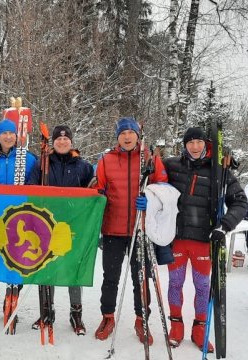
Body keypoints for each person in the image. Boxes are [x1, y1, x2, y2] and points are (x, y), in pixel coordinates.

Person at [163, 127, 247, 351]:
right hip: (178, 238)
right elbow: (155, 182)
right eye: (190, 142)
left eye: (199, 142)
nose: (195, 147)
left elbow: (240, 202)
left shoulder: (219, 172)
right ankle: (176, 327)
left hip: (204, 239)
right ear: (184, 145)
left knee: (202, 286)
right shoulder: (172, 166)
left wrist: (225, 225)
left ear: (206, 145)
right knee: (175, 283)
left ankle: (200, 330)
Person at [92, 117, 169, 345]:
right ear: (117, 137)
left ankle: (141, 319)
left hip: (141, 228)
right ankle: (107, 317)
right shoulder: (106, 160)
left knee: (141, 278)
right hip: (113, 229)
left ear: (138, 135)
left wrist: (152, 200)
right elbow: (98, 188)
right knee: (110, 277)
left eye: (131, 132)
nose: (127, 136)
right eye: (123, 133)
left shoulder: (150, 159)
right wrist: (99, 196)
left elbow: (164, 188)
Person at [26, 125, 92, 335]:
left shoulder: (82, 166)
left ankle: (76, 313)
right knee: (47, 268)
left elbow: (92, 192)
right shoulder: (42, 163)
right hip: (46, 225)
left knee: (74, 269)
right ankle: (47, 311)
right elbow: (30, 188)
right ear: (53, 142)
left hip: (73, 226)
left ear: (71, 142)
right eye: (58, 139)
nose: (62, 142)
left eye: (66, 139)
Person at [0, 119, 37, 326]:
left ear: (17, 136)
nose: (8, 137)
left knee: (16, 261)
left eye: (12, 133)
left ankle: (10, 302)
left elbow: (36, 184)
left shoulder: (27, 159)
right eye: (4, 133)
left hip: (19, 218)